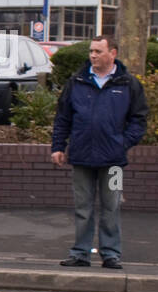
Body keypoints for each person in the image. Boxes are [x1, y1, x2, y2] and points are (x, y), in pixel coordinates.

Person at [51, 34, 149, 269]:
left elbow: (139, 118)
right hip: (82, 156)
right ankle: (80, 253)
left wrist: (123, 143)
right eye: (91, 51)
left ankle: (111, 253)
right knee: (83, 208)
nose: (93, 55)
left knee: (111, 207)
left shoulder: (128, 84)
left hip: (114, 160)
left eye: (98, 51)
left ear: (112, 53)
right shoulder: (77, 82)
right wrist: (58, 146)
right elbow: (63, 117)